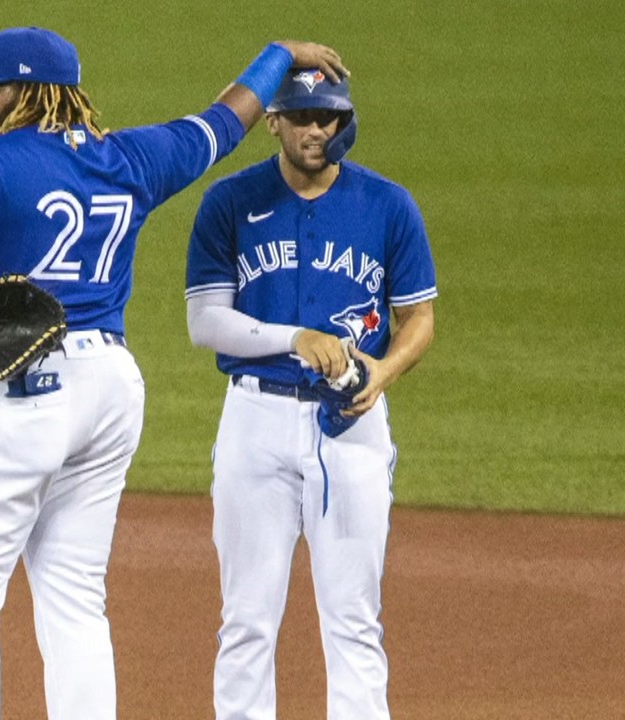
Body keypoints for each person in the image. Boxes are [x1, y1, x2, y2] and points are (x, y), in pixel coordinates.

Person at [0, 27, 348, 720]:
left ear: (26, 92)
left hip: (18, 393)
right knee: (75, 593)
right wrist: (275, 58)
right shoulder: (131, 158)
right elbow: (220, 125)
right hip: (108, 389)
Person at [184, 68, 438, 719]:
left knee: (353, 618)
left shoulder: (387, 205)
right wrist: (293, 337)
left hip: (353, 427)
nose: (316, 131)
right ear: (273, 121)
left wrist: (381, 376)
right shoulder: (228, 202)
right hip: (253, 420)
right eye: (301, 117)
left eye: (328, 117)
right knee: (245, 619)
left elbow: (418, 319)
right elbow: (205, 323)